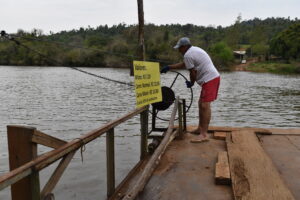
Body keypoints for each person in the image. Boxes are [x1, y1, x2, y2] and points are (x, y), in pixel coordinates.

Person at [161, 37, 220, 143]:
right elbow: (184, 64)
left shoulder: (188, 54)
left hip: (210, 79)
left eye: (180, 48)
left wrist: (191, 83)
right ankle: (200, 129)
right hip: (211, 78)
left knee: (205, 105)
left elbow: (192, 73)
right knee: (201, 104)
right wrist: (169, 67)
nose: (179, 50)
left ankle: (204, 135)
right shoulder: (194, 50)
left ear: (184, 47)